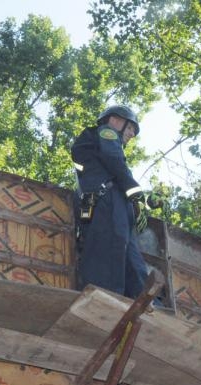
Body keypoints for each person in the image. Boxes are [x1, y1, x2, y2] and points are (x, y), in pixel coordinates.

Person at [71, 105, 150, 298]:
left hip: (116, 206)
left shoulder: (102, 145)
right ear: (115, 120)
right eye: (130, 127)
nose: (132, 134)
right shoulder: (106, 133)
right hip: (107, 203)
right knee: (108, 255)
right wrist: (136, 193)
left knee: (130, 260)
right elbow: (114, 160)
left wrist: (140, 203)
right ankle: (105, 302)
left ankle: (143, 303)